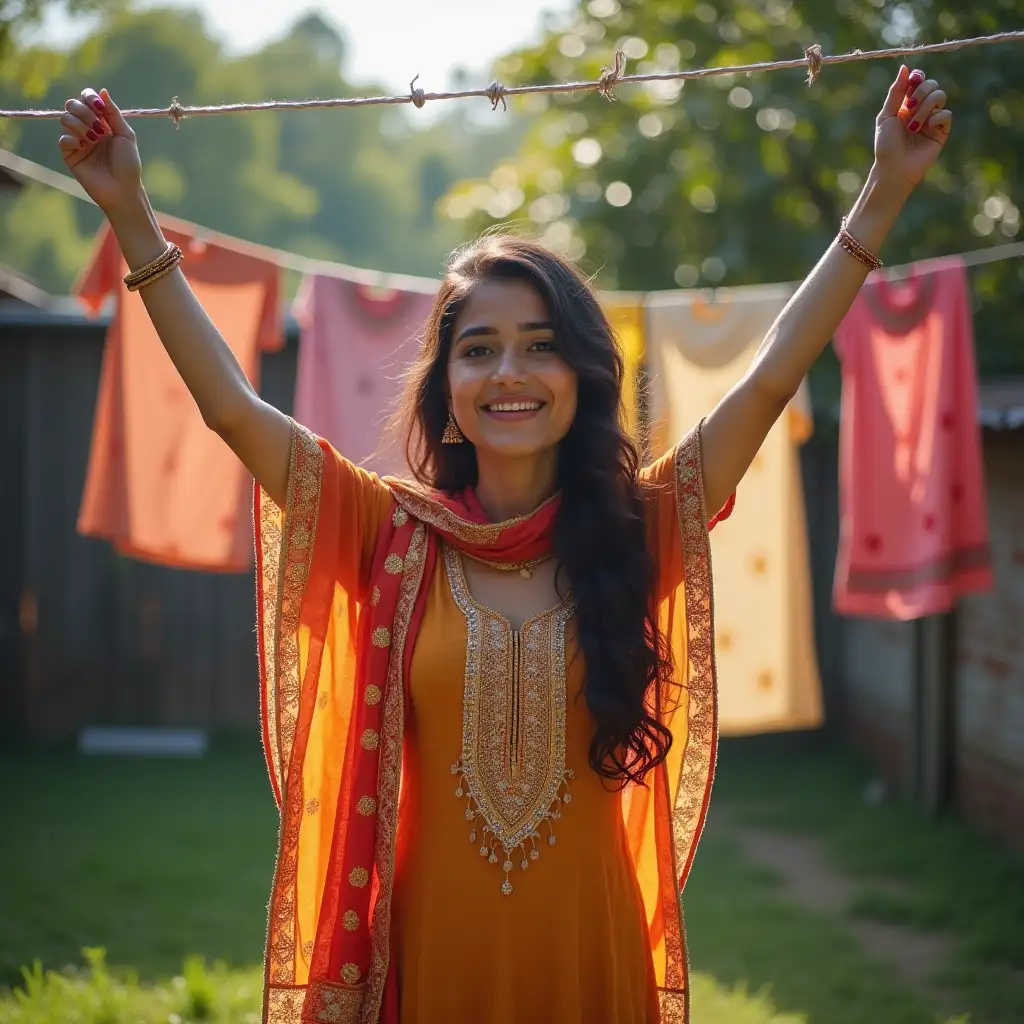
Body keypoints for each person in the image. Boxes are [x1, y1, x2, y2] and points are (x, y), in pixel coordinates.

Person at [58, 64, 950, 1024]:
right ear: (446, 388)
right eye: (478, 349)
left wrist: (883, 191)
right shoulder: (386, 532)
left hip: (591, 957)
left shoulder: (636, 529)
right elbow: (232, 409)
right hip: (432, 957)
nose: (509, 372)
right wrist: (131, 212)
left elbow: (771, 379)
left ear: (583, 372)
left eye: (540, 343)